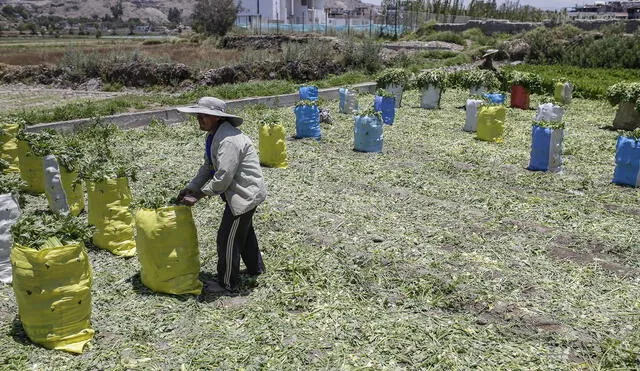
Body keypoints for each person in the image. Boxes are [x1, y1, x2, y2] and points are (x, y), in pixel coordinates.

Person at [176, 96, 267, 293]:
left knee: (227, 239)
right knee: (244, 233)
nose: (200, 118)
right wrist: (192, 187)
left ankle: (227, 283)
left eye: (205, 115)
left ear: (217, 118)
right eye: (198, 115)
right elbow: (208, 167)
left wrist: (200, 194)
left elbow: (224, 176)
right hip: (242, 193)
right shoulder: (213, 136)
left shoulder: (228, 140)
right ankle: (256, 269)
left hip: (244, 195)